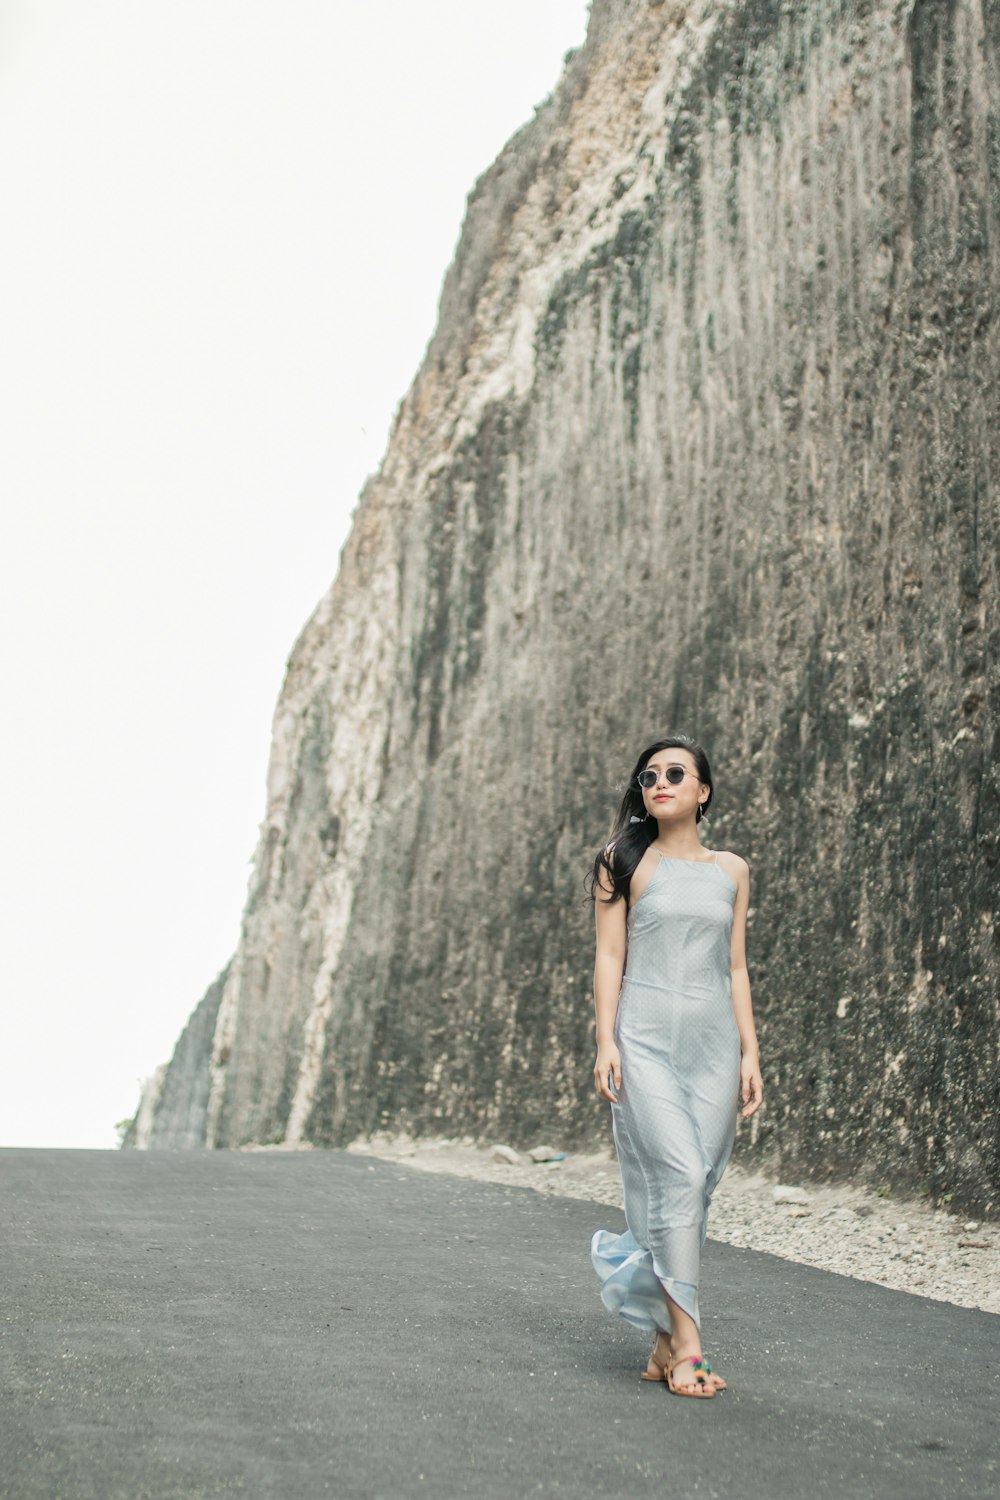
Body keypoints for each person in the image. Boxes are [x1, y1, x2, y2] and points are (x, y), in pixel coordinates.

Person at [586, 736, 763, 1398]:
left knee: (698, 1184)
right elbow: (609, 957)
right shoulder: (623, 863)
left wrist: (751, 1049)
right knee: (679, 1174)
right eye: (649, 776)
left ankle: (662, 1340)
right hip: (646, 1041)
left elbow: (737, 965)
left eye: (675, 773)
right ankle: (690, 1348)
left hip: (715, 1048)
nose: (659, 782)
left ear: (703, 791)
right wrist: (607, 1040)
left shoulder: (733, 871)